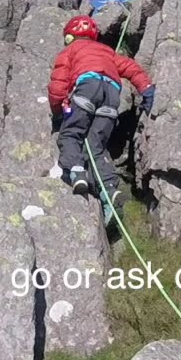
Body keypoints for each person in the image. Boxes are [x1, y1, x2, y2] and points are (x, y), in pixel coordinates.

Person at [47, 15, 155, 219]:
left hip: (87, 88)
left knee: (70, 135)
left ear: (70, 37)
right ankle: (110, 191)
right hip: (111, 95)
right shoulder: (108, 52)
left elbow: (58, 83)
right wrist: (146, 89)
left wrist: (58, 110)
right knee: (95, 146)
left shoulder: (70, 50)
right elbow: (132, 69)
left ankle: (77, 171)